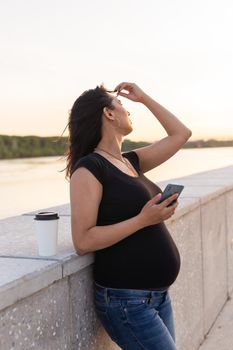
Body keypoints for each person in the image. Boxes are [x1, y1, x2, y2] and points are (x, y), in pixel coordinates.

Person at [65, 82, 192, 350]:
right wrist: (143, 219)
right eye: (121, 104)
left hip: (156, 297)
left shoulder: (129, 161)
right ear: (108, 113)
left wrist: (144, 97)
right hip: (126, 302)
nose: (128, 110)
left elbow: (181, 134)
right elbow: (83, 241)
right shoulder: (89, 168)